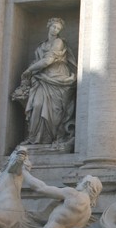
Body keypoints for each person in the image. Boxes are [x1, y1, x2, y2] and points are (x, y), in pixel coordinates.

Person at [14, 17, 77, 146]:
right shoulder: (42, 45)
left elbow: (48, 61)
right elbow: (40, 61)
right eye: (54, 26)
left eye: (58, 28)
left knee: (54, 111)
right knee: (36, 106)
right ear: (49, 26)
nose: (56, 30)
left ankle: (50, 139)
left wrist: (29, 70)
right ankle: (34, 138)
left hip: (57, 77)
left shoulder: (58, 42)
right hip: (42, 78)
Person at [22, 170, 102, 228]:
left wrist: (24, 171)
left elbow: (41, 188)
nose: (77, 184)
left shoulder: (73, 194)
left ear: (87, 184)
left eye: (81, 182)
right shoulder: (88, 213)